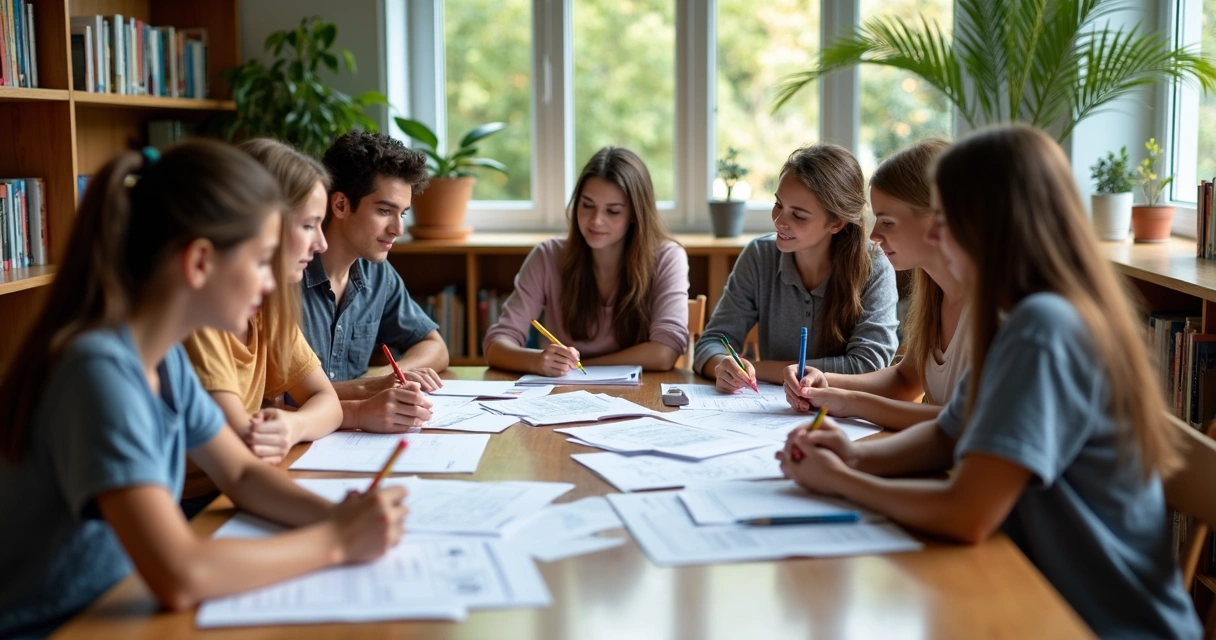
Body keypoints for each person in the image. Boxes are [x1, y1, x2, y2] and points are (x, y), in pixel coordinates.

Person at [778, 124, 1200, 639]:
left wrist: (842, 482)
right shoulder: (1025, 315)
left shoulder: (1043, 329)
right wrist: (853, 456)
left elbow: (966, 513)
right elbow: (949, 433)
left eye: (946, 221)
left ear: (991, 225)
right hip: (1044, 598)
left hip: (1098, 623)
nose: (933, 236)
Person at [0, 142, 407, 637]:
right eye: (260, 261)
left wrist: (342, 515)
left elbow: (242, 475)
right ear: (198, 263)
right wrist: (337, 541)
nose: (269, 283)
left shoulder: (164, 359)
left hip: (120, 605)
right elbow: (181, 574)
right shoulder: (98, 371)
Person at [783, 139, 967, 429]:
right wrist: (825, 380)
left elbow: (968, 422)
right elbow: (905, 381)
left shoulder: (992, 309)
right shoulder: (936, 295)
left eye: (888, 221)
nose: (874, 235)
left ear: (936, 218)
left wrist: (850, 403)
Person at [182, 139, 342, 472]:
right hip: (199, 498)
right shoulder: (200, 316)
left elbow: (329, 403)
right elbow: (244, 448)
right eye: (309, 225)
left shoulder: (268, 306)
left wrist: (293, 425)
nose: (322, 244)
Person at [694, 143, 899, 390]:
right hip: (770, 414)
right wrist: (724, 367)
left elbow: (869, 366)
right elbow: (711, 343)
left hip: (843, 417)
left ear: (836, 223)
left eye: (798, 215)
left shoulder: (874, 266)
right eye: (779, 205)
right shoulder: (759, 255)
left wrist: (761, 369)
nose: (779, 221)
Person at [484, 147, 690, 375]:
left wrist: (582, 368)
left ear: (635, 214)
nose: (596, 221)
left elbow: (664, 353)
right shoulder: (548, 255)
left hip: (642, 397)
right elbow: (496, 345)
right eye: (587, 205)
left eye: (612, 211)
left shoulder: (667, 257)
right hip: (564, 397)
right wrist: (536, 361)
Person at [300, 131, 443, 432]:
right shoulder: (286, 275)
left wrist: (393, 376)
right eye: (384, 211)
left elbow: (434, 346)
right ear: (340, 205)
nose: (398, 229)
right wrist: (369, 388)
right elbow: (274, 394)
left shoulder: (377, 273)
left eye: (402, 213)